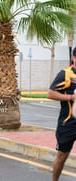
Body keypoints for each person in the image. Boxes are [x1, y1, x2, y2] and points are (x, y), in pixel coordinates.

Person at [48, 47, 76, 181]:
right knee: (62, 157)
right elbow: (51, 93)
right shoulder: (65, 74)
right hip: (68, 123)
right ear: (74, 58)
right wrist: (70, 98)